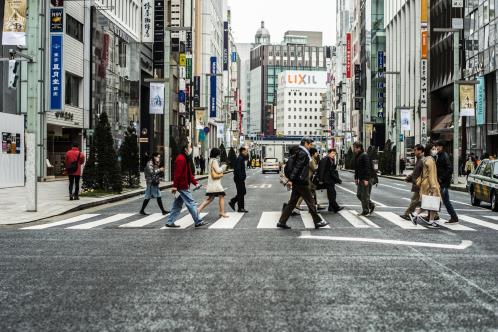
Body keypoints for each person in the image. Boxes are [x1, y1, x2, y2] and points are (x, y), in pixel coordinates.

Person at [277, 137, 329, 229]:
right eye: (309, 144)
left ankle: (282, 221)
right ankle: (317, 221)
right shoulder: (303, 153)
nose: (310, 146)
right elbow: (298, 167)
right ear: (305, 143)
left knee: (292, 203)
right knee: (310, 201)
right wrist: (292, 179)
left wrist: (292, 179)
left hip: (298, 181)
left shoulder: (299, 151)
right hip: (301, 181)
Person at [165, 140, 207, 228]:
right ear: (185, 149)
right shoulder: (181, 159)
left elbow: (189, 174)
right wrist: (175, 186)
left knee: (177, 205)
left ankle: (170, 222)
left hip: (182, 186)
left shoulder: (185, 158)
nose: (190, 148)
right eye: (189, 147)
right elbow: (177, 174)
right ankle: (198, 221)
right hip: (182, 186)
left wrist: (195, 183)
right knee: (191, 203)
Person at [410, 143, 441, 228]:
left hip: (426, 183)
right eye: (433, 148)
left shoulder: (426, 159)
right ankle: (415, 214)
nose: (435, 150)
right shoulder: (430, 160)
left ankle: (430, 221)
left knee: (430, 203)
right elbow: (431, 174)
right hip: (430, 183)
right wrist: (433, 186)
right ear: (429, 150)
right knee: (431, 202)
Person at [198, 148, 229, 218]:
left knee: (210, 198)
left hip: (212, 182)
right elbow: (218, 171)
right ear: (216, 154)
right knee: (221, 195)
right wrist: (223, 167)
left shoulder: (211, 160)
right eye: (218, 153)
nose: (219, 155)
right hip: (215, 183)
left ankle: (198, 210)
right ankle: (222, 212)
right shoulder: (214, 161)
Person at [434, 140, 459, 224]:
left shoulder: (444, 156)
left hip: (443, 182)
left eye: (438, 146)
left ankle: (454, 217)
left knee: (445, 200)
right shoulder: (438, 155)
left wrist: (441, 178)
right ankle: (434, 215)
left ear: (441, 147)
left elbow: (449, 169)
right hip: (439, 181)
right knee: (436, 198)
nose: (436, 148)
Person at [400, 144, 425, 220]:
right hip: (418, 183)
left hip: (420, 183)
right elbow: (415, 171)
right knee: (423, 200)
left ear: (420, 151)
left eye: (415, 150)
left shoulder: (423, 160)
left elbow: (422, 173)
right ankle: (435, 214)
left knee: (415, 200)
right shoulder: (419, 159)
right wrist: (409, 177)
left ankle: (408, 214)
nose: (414, 151)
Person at [353, 141, 376, 216]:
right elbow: (357, 168)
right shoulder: (358, 156)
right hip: (361, 178)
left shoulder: (364, 155)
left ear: (359, 148)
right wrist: (356, 178)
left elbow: (367, 168)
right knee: (359, 194)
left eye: (354, 148)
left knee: (365, 196)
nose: (353, 149)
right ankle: (371, 205)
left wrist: (366, 179)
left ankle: (365, 211)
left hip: (367, 178)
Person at [319, 148, 344, 213]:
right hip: (326, 179)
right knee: (332, 193)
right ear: (329, 153)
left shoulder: (331, 159)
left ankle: (331, 207)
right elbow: (322, 170)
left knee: (332, 193)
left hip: (330, 179)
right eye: (332, 153)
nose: (333, 155)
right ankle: (336, 207)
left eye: (334, 153)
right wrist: (321, 179)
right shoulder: (325, 159)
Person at [229, 147, 249, 213]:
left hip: (239, 178)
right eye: (246, 152)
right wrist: (241, 177)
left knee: (242, 192)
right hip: (239, 179)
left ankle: (235, 203)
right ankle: (239, 207)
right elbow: (237, 169)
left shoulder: (241, 158)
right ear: (242, 151)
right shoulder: (240, 158)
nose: (247, 153)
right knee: (241, 192)